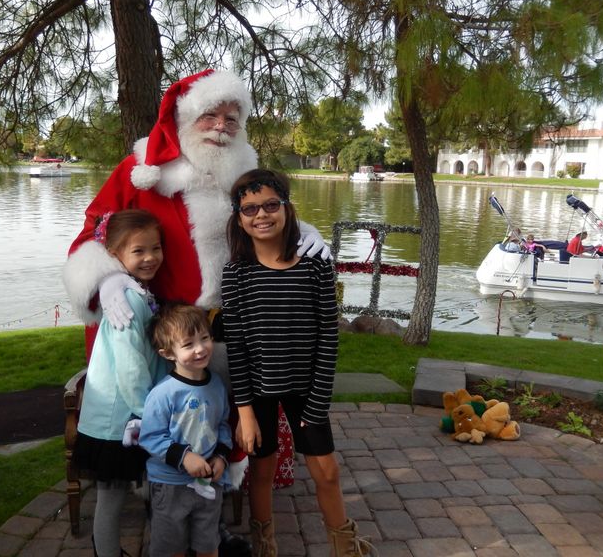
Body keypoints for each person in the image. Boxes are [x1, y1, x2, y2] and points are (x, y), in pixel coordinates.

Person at [62, 69, 330, 537]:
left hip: (231, 331)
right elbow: (93, 231)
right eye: (211, 113)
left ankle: (211, 518)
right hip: (164, 333)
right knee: (170, 426)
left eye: (233, 116)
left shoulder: (243, 174)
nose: (222, 125)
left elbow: (266, 214)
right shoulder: (140, 170)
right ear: (187, 117)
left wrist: (302, 232)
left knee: (221, 422)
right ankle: (169, 519)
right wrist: (104, 280)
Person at [221, 169, 374, 557]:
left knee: (327, 470)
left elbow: (328, 335)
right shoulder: (236, 273)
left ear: (287, 209)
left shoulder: (316, 266)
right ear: (238, 217)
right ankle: (265, 544)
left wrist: (319, 400)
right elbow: (236, 346)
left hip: (307, 390)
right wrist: (245, 412)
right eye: (250, 208)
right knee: (262, 471)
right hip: (256, 393)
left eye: (271, 205)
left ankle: (344, 545)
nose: (261, 215)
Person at [71, 210, 169, 557]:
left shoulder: (136, 291)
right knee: (111, 499)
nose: (150, 258)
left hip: (124, 416)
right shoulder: (126, 300)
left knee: (122, 493)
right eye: (138, 251)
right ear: (115, 255)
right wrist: (150, 411)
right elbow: (129, 365)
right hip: (120, 420)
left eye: (155, 248)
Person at [139, 303, 232, 557]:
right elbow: (150, 437)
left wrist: (221, 457)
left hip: (209, 483)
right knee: (171, 549)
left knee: (208, 545)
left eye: (204, 338)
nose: (200, 349)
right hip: (170, 487)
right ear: (168, 353)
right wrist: (184, 457)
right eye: (188, 344)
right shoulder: (163, 394)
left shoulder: (217, 386)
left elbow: (223, 425)